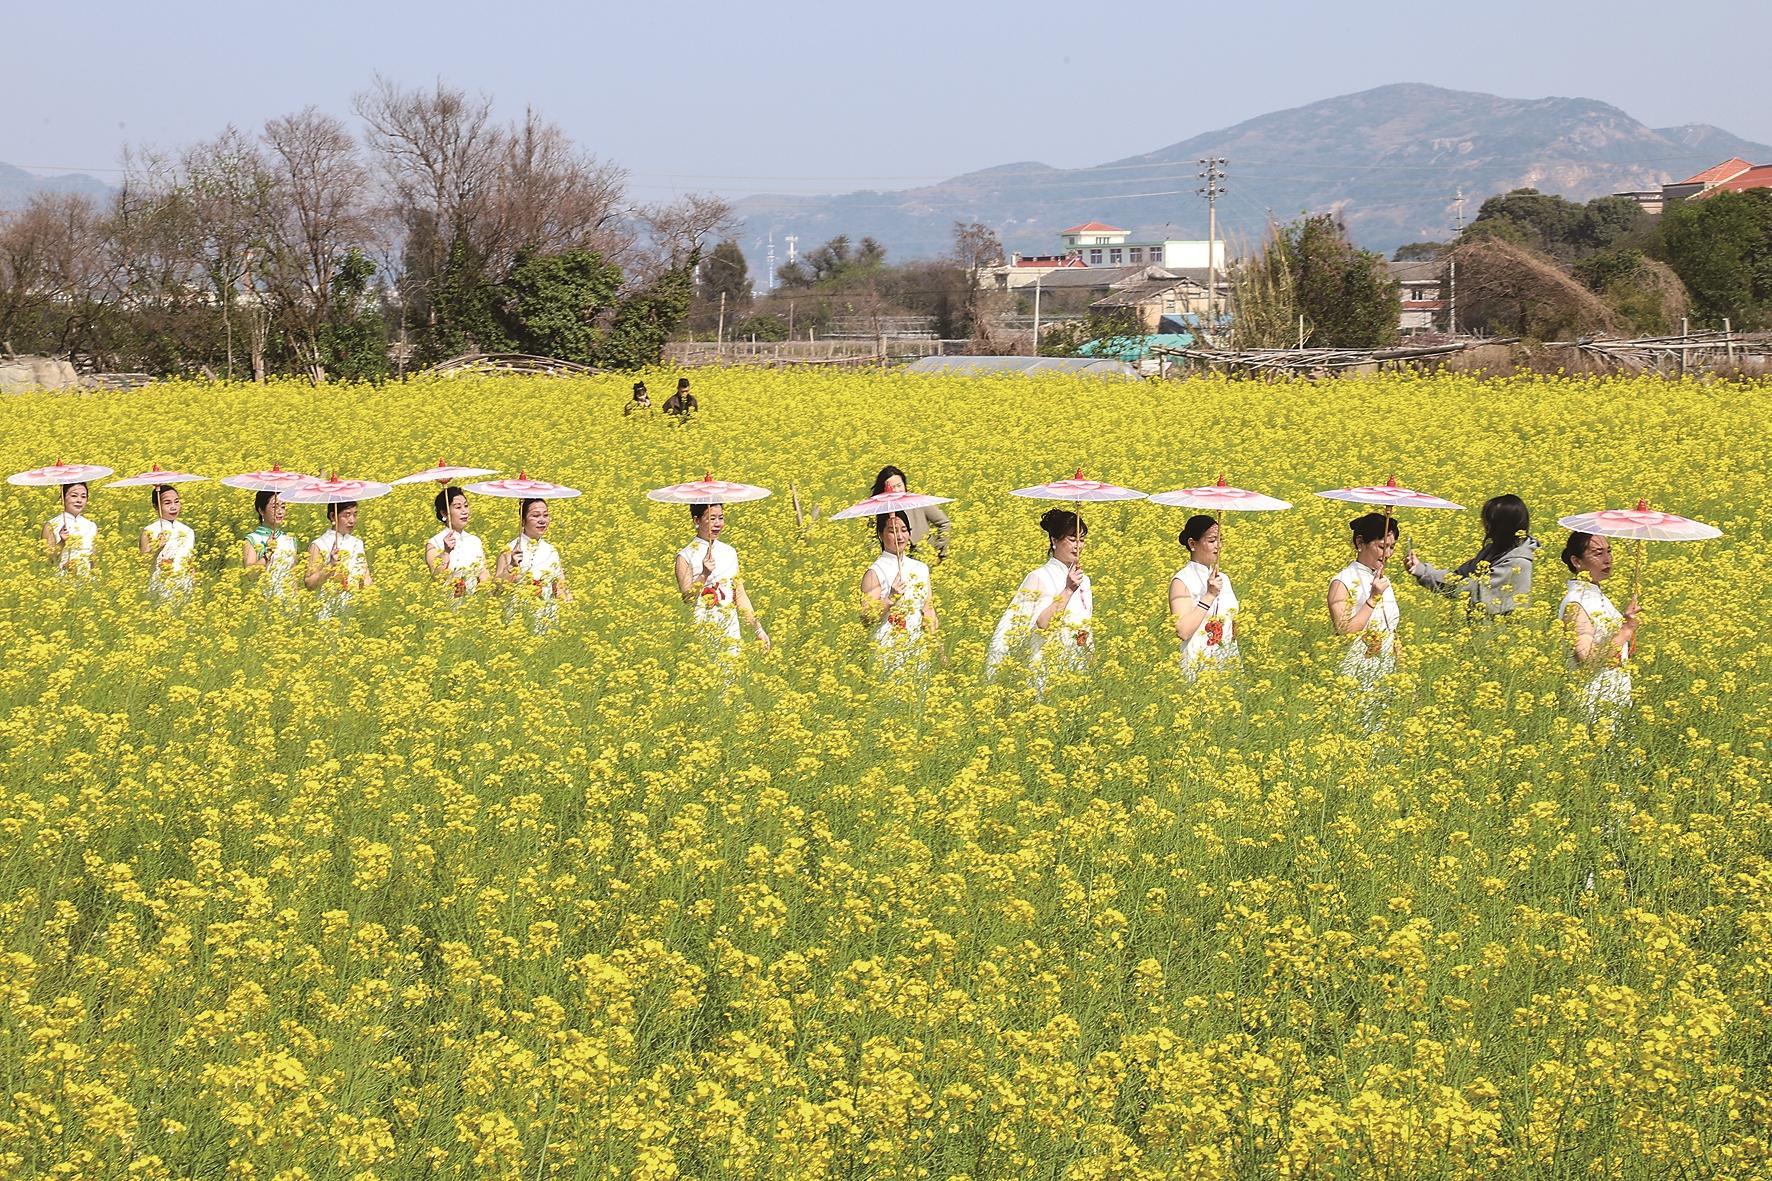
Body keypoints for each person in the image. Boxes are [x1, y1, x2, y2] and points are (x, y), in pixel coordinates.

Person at [986, 508, 1092, 685]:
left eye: (1082, 540)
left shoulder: (1084, 580)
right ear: (1054, 541)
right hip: (1044, 667)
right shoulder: (1039, 577)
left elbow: (1084, 625)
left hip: (1075, 665)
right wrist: (1068, 590)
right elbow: (1042, 624)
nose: (1078, 546)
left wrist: (1090, 657)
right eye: (1072, 539)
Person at [1405, 492, 1536, 616]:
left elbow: (1473, 591)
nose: (1484, 525)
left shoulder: (1518, 562)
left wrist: (1424, 572)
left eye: (1488, 522)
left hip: (1504, 634)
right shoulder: (1492, 551)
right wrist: (1422, 569)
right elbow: (1458, 577)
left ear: (1502, 526)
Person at [1558, 532, 1638, 720]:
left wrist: (1628, 637)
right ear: (1576, 561)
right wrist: (1625, 630)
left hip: (1611, 698)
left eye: (1609, 552)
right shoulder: (1577, 603)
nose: (1607, 560)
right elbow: (1587, 659)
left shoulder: (1595, 595)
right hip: (1593, 702)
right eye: (1598, 553)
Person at [675, 503, 770, 659]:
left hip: (730, 628)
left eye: (721, 518)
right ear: (696, 521)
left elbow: (739, 594)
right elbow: (687, 597)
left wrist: (758, 629)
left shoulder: (729, 552)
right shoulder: (684, 556)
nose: (718, 523)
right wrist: (704, 574)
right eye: (712, 518)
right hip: (701, 628)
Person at [1327, 512, 1401, 698]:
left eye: (1392, 547)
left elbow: (1392, 631)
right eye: (1382, 547)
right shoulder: (1342, 582)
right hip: (1357, 672)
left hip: (1387, 671)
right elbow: (1344, 630)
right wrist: (1372, 599)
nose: (1388, 554)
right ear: (1360, 543)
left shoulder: (1383, 581)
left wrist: (1403, 673)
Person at [860, 510, 939, 674]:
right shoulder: (874, 572)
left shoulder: (921, 568)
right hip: (886, 649)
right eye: (892, 531)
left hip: (917, 648)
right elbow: (866, 618)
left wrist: (938, 649)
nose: (900, 536)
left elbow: (928, 610)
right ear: (880, 534)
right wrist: (890, 599)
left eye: (904, 530)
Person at [1167, 515, 1239, 678]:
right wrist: (1209, 595)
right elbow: (1183, 631)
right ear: (1193, 544)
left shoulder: (1224, 579)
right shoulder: (1181, 581)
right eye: (1212, 540)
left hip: (1228, 666)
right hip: (1197, 669)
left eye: (1220, 540)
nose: (1218, 546)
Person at [496, 497, 569, 631]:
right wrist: (511, 565)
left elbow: (560, 587)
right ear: (523, 521)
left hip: (548, 620)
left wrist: (570, 610)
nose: (542, 520)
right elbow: (497, 590)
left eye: (545, 515)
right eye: (535, 516)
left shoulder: (551, 550)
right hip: (518, 623)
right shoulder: (509, 549)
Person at [304, 500, 372, 616]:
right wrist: (330, 565)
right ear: (332, 516)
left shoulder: (357, 543)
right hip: (328, 610)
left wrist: (369, 598)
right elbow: (309, 583)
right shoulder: (319, 544)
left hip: (354, 610)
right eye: (347, 515)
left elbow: (366, 578)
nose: (352, 520)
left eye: (355, 514)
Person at [871, 464, 950, 562]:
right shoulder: (877, 511)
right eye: (891, 487)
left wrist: (939, 552)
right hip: (895, 562)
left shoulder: (918, 502)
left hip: (926, 560)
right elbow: (872, 539)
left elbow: (944, 523)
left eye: (899, 485)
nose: (896, 490)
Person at [425, 486, 487, 598]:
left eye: (466, 506)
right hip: (446, 605)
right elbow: (436, 577)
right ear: (444, 513)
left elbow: (483, 573)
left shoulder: (475, 541)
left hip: (472, 605)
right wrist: (446, 552)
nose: (464, 511)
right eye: (458, 507)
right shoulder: (434, 543)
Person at [139, 484, 196, 603]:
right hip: (160, 589)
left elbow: (191, 562)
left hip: (185, 587)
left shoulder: (188, 531)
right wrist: (157, 548)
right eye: (167, 503)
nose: (174, 507)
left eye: (176, 501)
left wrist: (194, 588)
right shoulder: (149, 531)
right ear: (156, 507)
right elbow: (143, 566)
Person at [241, 490, 299, 600]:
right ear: (261, 510)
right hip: (264, 603)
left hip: (289, 603)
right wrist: (266, 554)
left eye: (283, 507)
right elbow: (250, 575)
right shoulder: (252, 539)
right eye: (274, 507)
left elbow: (293, 576)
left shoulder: (290, 540)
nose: (280, 512)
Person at [42, 482, 98, 577]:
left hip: (87, 583)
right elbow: (48, 561)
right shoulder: (51, 525)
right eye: (74, 496)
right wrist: (62, 542)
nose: (79, 500)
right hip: (61, 582)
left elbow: (94, 561)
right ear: (63, 498)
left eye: (83, 496)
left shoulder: (91, 526)